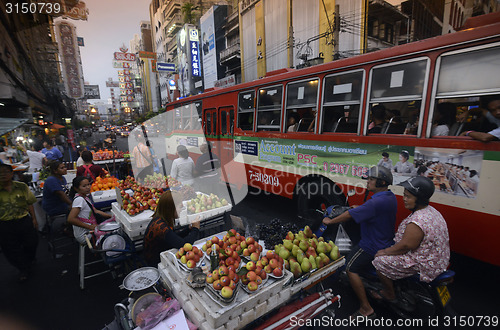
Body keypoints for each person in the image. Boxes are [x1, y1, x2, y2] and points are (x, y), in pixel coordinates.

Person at [322, 166, 397, 319]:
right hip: (387, 240)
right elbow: (370, 210)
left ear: (382, 182)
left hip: (371, 245)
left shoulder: (375, 203)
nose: (368, 182)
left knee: (349, 267)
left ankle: (365, 308)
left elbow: (349, 215)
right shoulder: (390, 197)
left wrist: (330, 221)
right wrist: (361, 208)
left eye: (371, 179)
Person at [371, 176, 450, 301]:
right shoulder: (432, 211)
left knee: (379, 261)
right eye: (404, 195)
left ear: (419, 199)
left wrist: (384, 252)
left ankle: (389, 293)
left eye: (408, 196)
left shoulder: (417, 221)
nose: (404, 199)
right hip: (438, 259)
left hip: (423, 264)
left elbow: (406, 246)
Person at [0, 164, 38, 282]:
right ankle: (23, 269)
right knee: (10, 248)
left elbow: (29, 203)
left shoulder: (21, 187)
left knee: (31, 243)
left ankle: (28, 260)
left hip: (23, 220)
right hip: (5, 223)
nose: (3, 175)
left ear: (12, 174)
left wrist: (34, 218)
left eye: (6, 172)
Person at [143, 191, 200, 267]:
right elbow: (183, 245)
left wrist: (189, 229)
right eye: (180, 206)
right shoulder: (161, 227)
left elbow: (173, 237)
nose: (182, 208)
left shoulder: (161, 219)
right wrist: (195, 229)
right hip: (156, 264)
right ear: (171, 208)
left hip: (163, 254)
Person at [67, 176, 112, 244]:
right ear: (76, 188)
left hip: (89, 229)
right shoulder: (79, 200)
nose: (88, 187)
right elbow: (71, 219)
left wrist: (111, 216)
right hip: (85, 235)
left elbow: (95, 211)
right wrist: (90, 227)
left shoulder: (85, 197)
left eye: (88, 184)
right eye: (84, 186)